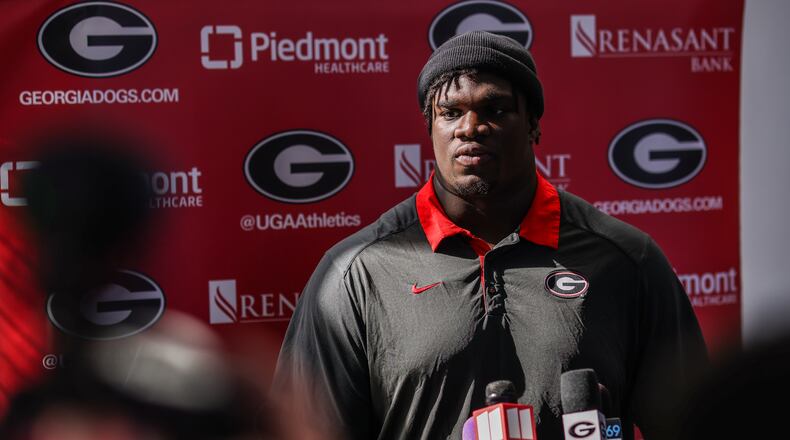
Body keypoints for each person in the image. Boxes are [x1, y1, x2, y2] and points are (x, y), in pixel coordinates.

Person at [273, 31, 707, 439]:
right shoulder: (355, 273)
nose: (469, 128)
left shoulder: (625, 259)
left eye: (495, 110)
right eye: (450, 112)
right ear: (430, 127)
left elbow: (695, 423)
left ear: (534, 124)